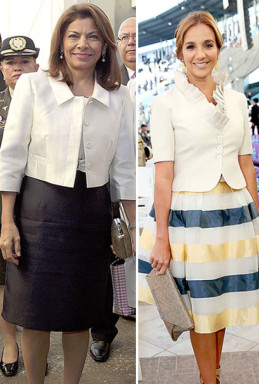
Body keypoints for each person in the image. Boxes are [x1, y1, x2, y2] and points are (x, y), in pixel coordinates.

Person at [137, 11, 259, 384]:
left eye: (208, 45)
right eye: (191, 46)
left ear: (219, 47)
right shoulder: (166, 104)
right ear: (180, 53)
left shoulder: (236, 99)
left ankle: (212, 372)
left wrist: (254, 219)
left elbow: (245, 160)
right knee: (200, 312)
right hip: (190, 219)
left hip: (234, 214)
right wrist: (161, 237)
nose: (201, 54)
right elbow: (163, 175)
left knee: (222, 307)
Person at [0, 4, 135, 384]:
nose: (83, 44)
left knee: (81, 316)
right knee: (34, 316)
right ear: (61, 42)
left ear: (105, 45)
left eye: (93, 36)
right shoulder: (33, 86)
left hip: (92, 215)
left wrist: (127, 229)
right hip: (38, 212)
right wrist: (6, 222)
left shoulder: (120, 96)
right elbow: (11, 160)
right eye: (74, 35)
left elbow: (124, 169)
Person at [90, 14, 136, 364]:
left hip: (137, 188)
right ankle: (104, 325)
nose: (131, 43)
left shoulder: (130, 89)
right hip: (97, 191)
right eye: (125, 37)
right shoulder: (109, 85)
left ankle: (107, 328)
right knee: (106, 263)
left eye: (137, 36)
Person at [0, 35, 40, 378]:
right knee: (2, 278)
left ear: (37, 66)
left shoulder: (49, 102)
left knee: (30, 277)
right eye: (11, 62)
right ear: (2, 68)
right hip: (1, 205)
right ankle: (9, 341)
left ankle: (32, 345)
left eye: (25, 61)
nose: (18, 67)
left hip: (38, 205)